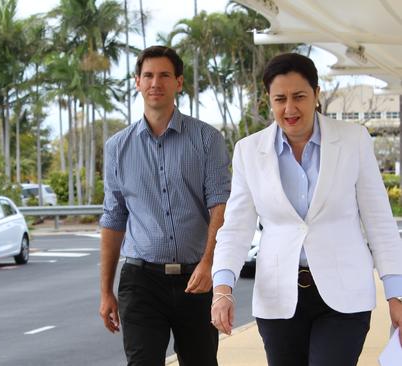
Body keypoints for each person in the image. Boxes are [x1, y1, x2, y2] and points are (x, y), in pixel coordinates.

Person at [210, 52, 402, 365]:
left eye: (299, 96)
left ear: (316, 95)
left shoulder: (354, 140)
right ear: (268, 100)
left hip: (345, 298)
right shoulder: (248, 151)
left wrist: (396, 293)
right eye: (280, 98)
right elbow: (236, 228)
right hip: (278, 298)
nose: (289, 108)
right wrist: (222, 289)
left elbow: (379, 220)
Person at [99, 45, 231, 365]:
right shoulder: (118, 147)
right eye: (148, 75)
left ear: (179, 82)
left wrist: (208, 263)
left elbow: (220, 205)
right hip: (141, 281)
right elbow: (113, 218)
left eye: (164, 75)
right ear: (137, 83)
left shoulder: (206, 139)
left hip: (195, 279)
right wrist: (105, 291)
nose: (155, 82)